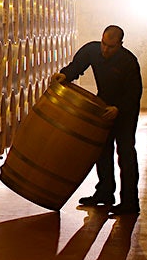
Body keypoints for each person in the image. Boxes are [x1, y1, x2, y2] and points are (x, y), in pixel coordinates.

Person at [48, 25, 142, 215]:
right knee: (102, 151)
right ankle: (105, 193)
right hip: (103, 106)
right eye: (104, 44)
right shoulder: (93, 50)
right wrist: (64, 74)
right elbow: (77, 65)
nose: (105, 50)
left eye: (111, 46)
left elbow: (134, 93)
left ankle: (130, 202)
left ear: (120, 45)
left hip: (124, 111)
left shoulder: (129, 61)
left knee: (125, 154)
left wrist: (119, 109)